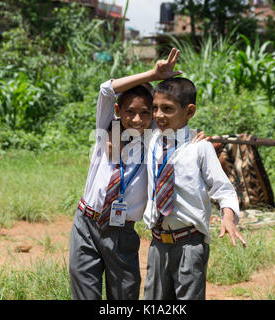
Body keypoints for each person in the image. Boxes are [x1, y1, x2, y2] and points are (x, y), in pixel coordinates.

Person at [69, 49, 195, 300]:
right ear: (118, 110)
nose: (137, 119)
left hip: (122, 232)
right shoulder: (106, 131)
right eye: (129, 112)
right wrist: (152, 73)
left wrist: (196, 137)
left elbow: (176, 124)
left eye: (145, 113)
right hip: (86, 223)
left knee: (124, 296)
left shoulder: (154, 142)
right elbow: (106, 89)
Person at [143, 77, 247, 300]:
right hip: (158, 243)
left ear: (189, 112)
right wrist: (155, 73)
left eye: (167, 109)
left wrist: (228, 218)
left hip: (189, 244)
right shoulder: (151, 141)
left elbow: (224, 190)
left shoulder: (200, 147)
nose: (159, 115)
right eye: (155, 108)